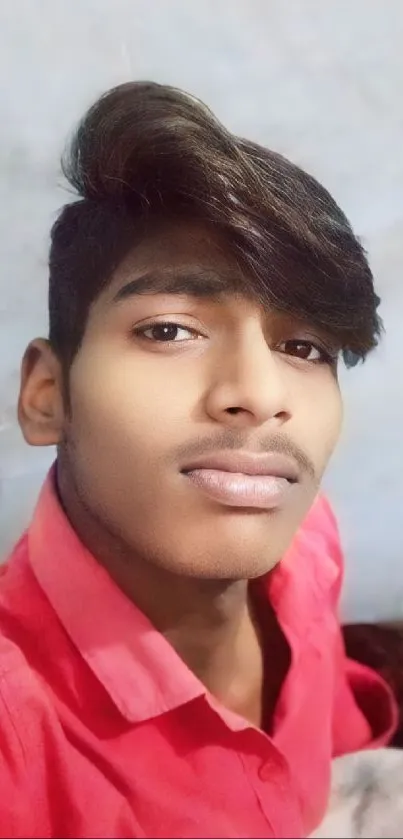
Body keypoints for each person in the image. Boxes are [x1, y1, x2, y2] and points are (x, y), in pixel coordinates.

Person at [0, 81, 397, 839]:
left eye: (305, 347)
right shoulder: (18, 741)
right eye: (170, 331)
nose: (258, 393)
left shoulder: (309, 537)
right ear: (48, 394)